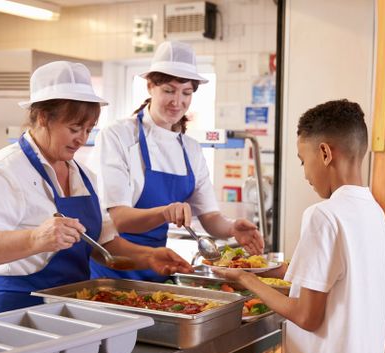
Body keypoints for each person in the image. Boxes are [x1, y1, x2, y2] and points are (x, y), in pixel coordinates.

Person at [0, 61, 192, 315]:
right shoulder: (5, 171)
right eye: (74, 128)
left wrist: (149, 256)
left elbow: (103, 246)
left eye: (88, 129)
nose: (82, 139)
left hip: (69, 309)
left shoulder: (83, 176)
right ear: (42, 117)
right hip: (14, 311)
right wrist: (35, 238)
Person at [215, 100, 385, 353]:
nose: (305, 174)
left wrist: (245, 279)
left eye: (301, 160)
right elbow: (336, 280)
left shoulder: (323, 215)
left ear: (324, 153)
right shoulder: (374, 211)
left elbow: (307, 316)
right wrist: (265, 267)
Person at [88, 41, 264, 282]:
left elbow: (211, 218)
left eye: (186, 92)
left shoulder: (190, 149)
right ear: (150, 86)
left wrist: (233, 228)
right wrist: (165, 212)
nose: (177, 101)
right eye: (169, 90)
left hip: (159, 268)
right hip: (114, 269)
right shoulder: (117, 136)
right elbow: (121, 219)